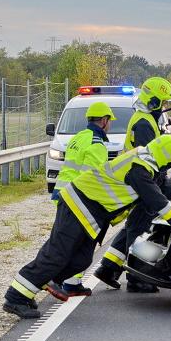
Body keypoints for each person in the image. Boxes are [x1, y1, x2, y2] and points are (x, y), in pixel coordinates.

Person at [2, 135, 171, 319]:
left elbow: (170, 191)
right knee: (58, 253)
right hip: (78, 204)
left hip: (90, 212)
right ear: (164, 159)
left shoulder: (149, 163)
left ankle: (39, 284)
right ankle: (16, 297)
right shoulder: (139, 170)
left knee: (82, 259)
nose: (169, 168)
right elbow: (158, 202)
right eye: (169, 164)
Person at [94, 76, 171, 293]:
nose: (166, 107)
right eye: (165, 102)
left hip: (141, 181)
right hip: (142, 182)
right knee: (139, 229)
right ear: (155, 102)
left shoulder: (146, 118)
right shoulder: (144, 123)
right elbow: (150, 159)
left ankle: (109, 267)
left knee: (135, 224)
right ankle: (137, 277)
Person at [50, 101, 117, 296]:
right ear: (104, 121)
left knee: (70, 241)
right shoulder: (97, 144)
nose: (110, 124)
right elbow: (93, 178)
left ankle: (72, 283)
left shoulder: (79, 137)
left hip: (62, 193)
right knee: (76, 243)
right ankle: (54, 280)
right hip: (78, 200)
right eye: (110, 120)